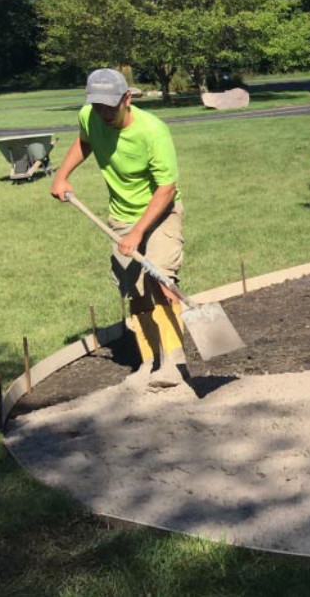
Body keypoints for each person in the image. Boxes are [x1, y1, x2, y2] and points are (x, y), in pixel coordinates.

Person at [51, 69, 186, 388]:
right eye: (98, 106)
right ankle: (150, 359)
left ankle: (174, 363)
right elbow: (84, 141)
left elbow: (166, 188)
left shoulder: (153, 131)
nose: (103, 113)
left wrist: (138, 232)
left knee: (162, 280)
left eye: (110, 106)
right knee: (135, 290)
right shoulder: (90, 116)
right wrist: (62, 174)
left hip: (160, 211)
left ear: (127, 99)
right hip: (121, 216)